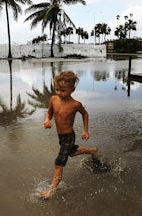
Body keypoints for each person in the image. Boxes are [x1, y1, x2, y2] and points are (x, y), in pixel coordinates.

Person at [40, 71, 105, 199]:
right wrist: (47, 120)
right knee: (71, 152)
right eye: (57, 89)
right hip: (61, 137)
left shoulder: (75, 104)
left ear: (72, 89)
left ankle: (51, 191)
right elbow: (49, 113)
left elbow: (85, 114)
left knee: (59, 163)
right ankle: (92, 151)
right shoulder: (53, 99)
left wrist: (85, 130)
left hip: (69, 136)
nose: (59, 92)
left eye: (63, 90)